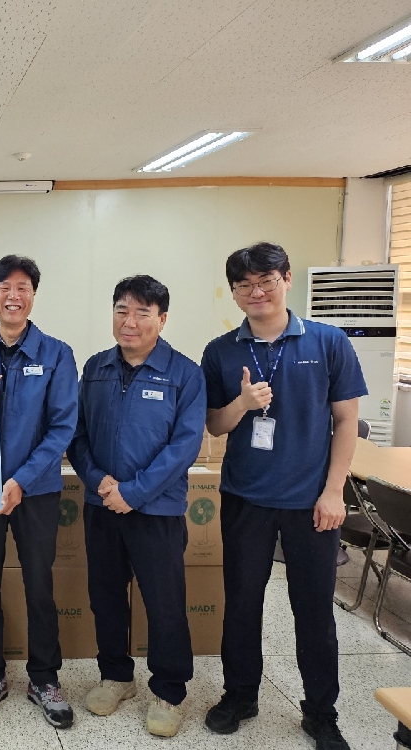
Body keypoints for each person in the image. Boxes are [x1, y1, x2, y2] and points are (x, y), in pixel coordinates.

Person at [201, 242, 366, 750]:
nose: (257, 292)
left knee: (313, 609)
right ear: (233, 292)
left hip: (312, 501)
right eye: (245, 284)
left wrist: (335, 490)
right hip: (246, 498)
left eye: (266, 280)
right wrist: (243, 404)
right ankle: (240, 695)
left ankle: (320, 711)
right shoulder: (221, 349)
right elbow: (214, 424)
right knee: (242, 605)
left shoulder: (328, 340)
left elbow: (346, 421)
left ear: (287, 280)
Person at [67, 275, 205, 737]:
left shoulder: (185, 373)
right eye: (121, 310)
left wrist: (135, 491)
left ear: (162, 320)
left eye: (142, 313)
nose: (129, 321)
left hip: (157, 509)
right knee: (105, 597)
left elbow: (185, 445)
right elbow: (78, 434)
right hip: (100, 503)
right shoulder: (96, 367)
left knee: (164, 603)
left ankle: (169, 690)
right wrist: (99, 481)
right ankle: (116, 676)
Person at [0, 255, 78, 728]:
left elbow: (63, 427)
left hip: (37, 490)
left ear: (33, 295)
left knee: (39, 584)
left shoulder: (57, 354)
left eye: (23, 287)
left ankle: (44, 676)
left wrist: (20, 480)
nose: (13, 295)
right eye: (3, 287)